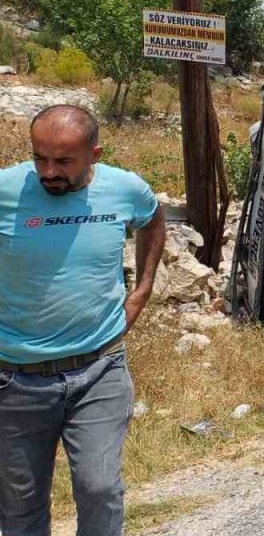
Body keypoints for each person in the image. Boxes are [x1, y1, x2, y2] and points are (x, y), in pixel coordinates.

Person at [0, 105, 165, 536]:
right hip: (15, 379)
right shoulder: (5, 191)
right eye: (40, 157)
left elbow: (152, 219)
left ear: (94, 154)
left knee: (99, 488)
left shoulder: (124, 188)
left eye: (63, 161)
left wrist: (142, 291)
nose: (48, 171)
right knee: (20, 508)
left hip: (99, 368)